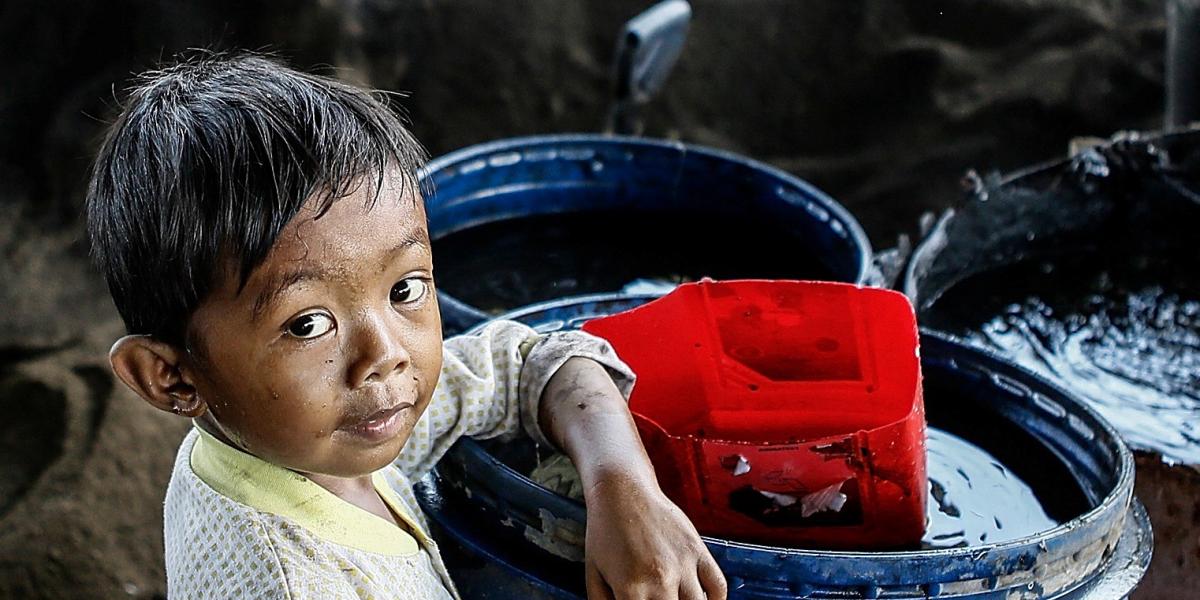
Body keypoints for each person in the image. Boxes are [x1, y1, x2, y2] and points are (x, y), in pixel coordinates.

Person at [85, 51, 726, 600]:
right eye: (308, 324)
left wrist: (624, 486)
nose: (386, 354)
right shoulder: (286, 579)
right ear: (169, 377)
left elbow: (530, 362)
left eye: (405, 288)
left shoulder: (308, 435)